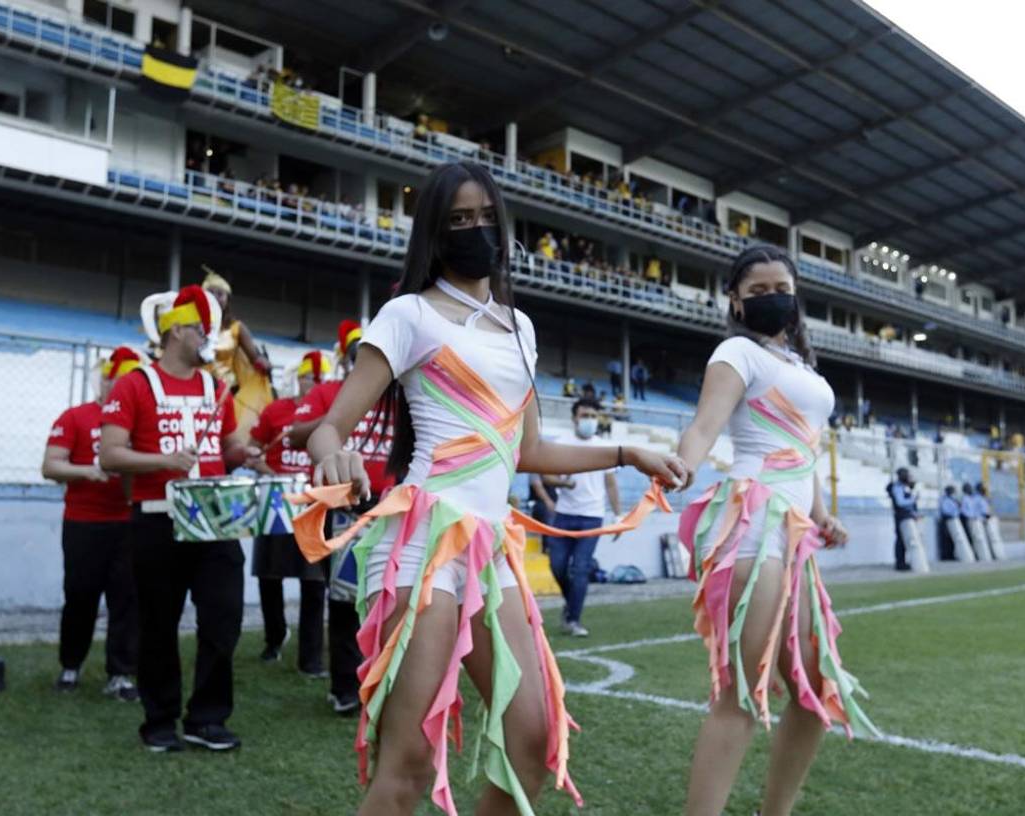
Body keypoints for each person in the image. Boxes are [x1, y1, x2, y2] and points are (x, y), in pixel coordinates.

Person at [293, 161, 689, 815]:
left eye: (485, 217)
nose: (476, 230)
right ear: (434, 231)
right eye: (458, 219)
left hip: (489, 548)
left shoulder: (519, 328)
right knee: (409, 762)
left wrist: (626, 453)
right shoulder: (408, 315)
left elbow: (528, 451)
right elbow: (329, 428)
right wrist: (336, 457)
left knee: (533, 740)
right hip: (422, 542)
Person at [676, 244, 876, 816]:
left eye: (781, 289)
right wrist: (681, 465)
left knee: (814, 692)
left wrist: (822, 513)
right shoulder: (737, 352)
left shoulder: (801, 368)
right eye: (757, 291)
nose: (772, 298)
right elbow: (704, 427)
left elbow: (800, 449)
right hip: (753, 524)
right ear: (736, 302)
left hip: (794, 534)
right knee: (739, 692)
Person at [99, 285, 262, 753]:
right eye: (199, 330)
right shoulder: (135, 384)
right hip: (158, 518)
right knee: (158, 623)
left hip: (215, 519)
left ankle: (207, 718)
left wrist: (244, 454)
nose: (207, 338)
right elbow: (110, 454)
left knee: (223, 619)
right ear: (175, 332)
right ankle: (160, 720)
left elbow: (225, 446)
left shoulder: (215, 386)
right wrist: (163, 460)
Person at [286, 321, 395, 716]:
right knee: (346, 600)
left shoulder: (398, 397)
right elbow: (294, 435)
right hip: (346, 508)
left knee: (393, 599)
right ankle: (346, 688)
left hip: (393, 507)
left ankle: (387, 680)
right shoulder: (329, 393)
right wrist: (339, 418)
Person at [42, 346, 145, 701]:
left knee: (127, 599)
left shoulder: (142, 419)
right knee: (80, 596)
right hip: (84, 522)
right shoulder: (75, 417)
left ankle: (121, 673)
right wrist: (88, 471)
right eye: (120, 380)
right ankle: (70, 665)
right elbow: (50, 465)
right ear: (105, 382)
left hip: (128, 521)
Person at [247, 350, 331, 673]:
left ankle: (310, 659)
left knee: (314, 582)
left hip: (313, 505)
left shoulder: (331, 416)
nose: (314, 384)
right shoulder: (276, 411)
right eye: (309, 378)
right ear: (299, 379)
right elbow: (253, 448)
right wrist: (263, 466)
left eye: (320, 379)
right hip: (275, 501)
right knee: (270, 575)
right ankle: (274, 638)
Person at [542, 397, 619, 637]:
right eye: (585, 416)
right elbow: (547, 477)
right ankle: (571, 603)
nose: (589, 420)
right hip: (564, 515)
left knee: (581, 568)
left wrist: (618, 516)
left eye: (593, 416)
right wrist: (565, 483)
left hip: (592, 516)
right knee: (557, 566)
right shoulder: (561, 443)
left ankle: (573, 619)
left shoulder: (605, 447)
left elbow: (611, 483)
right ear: (574, 418)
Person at [202, 267, 272, 437]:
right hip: (196, 388)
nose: (215, 297)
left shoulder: (237, 328)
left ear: (227, 299)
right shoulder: (193, 325)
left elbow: (255, 357)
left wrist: (263, 363)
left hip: (225, 393)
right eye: (211, 293)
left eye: (220, 294)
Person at [888, 467, 919, 571]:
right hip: (901, 517)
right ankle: (900, 563)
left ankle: (904, 562)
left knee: (905, 540)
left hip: (906, 516)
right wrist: (913, 499)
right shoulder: (897, 487)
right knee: (900, 540)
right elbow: (900, 502)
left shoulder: (904, 487)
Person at [937, 486, 961, 561]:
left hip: (953, 520)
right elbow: (945, 511)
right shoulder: (944, 500)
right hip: (946, 520)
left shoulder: (953, 500)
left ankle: (951, 555)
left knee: (952, 539)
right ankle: (946, 556)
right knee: (946, 539)